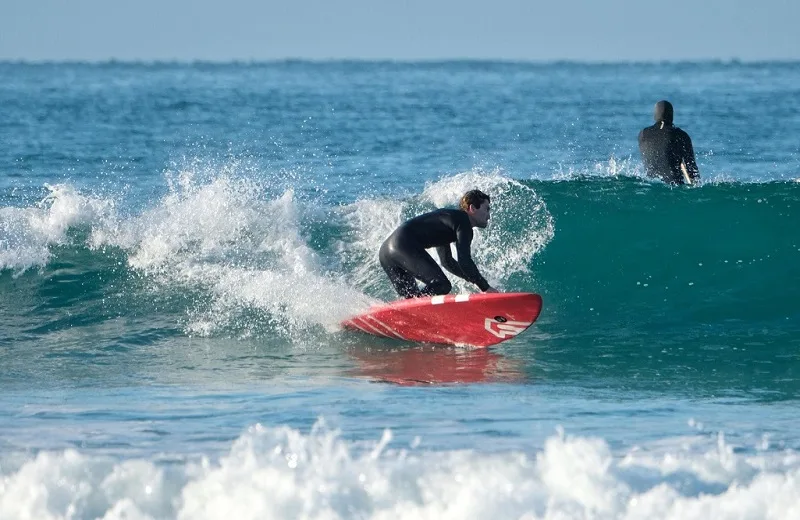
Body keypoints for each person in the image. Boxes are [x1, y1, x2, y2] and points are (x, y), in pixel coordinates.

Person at [379, 189, 499, 299]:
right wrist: (485, 287)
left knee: (411, 298)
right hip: (402, 244)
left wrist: (473, 280)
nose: (488, 216)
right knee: (441, 284)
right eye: (486, 209)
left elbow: (447, 262)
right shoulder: (463, 222)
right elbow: (464, 261)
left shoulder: (448, 221)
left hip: (386, 252)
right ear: (472, 208)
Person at [638, 100, 700, 185]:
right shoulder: (681, 135)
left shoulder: (643, 134)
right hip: (673, 188)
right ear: (671, 115)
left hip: (649, 186)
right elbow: (692, 170)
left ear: (655, 115)